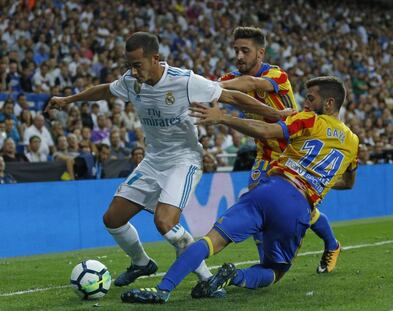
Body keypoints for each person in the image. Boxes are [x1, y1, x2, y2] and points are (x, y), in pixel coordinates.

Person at [47, 32, 280, 292]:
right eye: (129, 66)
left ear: (155, 58)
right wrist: (68, 100)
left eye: (138, 65)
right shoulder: (130, 81)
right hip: (153, 160)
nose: (133, 72)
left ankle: (207, 280)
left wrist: (278, 114)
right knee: (112, 218)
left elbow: (233, 97)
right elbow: (105, 90)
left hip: (185, 159)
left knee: (165, 222)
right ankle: (141, 262)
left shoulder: (185, 81)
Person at [120, 76, 359, 304]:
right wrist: (317, 183)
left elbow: (266, 131)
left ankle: (162, 290)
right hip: (299, 205)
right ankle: (234, 276)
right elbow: (348, 184)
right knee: (275, 270)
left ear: (329, 103)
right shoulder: (353, 143)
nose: (305, 103)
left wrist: (224, 118)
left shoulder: (311, 120)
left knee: (210, 241)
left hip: (268, 190)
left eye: (311, 99)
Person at [220, 27, 341, 273]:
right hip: (265, 154)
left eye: (245, 50)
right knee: (256, 200)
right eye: (236, 51)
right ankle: (266, 261)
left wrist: (213, 86)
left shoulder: (277, 75)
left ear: (260, 53)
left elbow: (250, 83)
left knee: (306, 210)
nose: (239, 56)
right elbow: (217, 91)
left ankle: (332, 244)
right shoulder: (230, 79)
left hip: (292, 154)